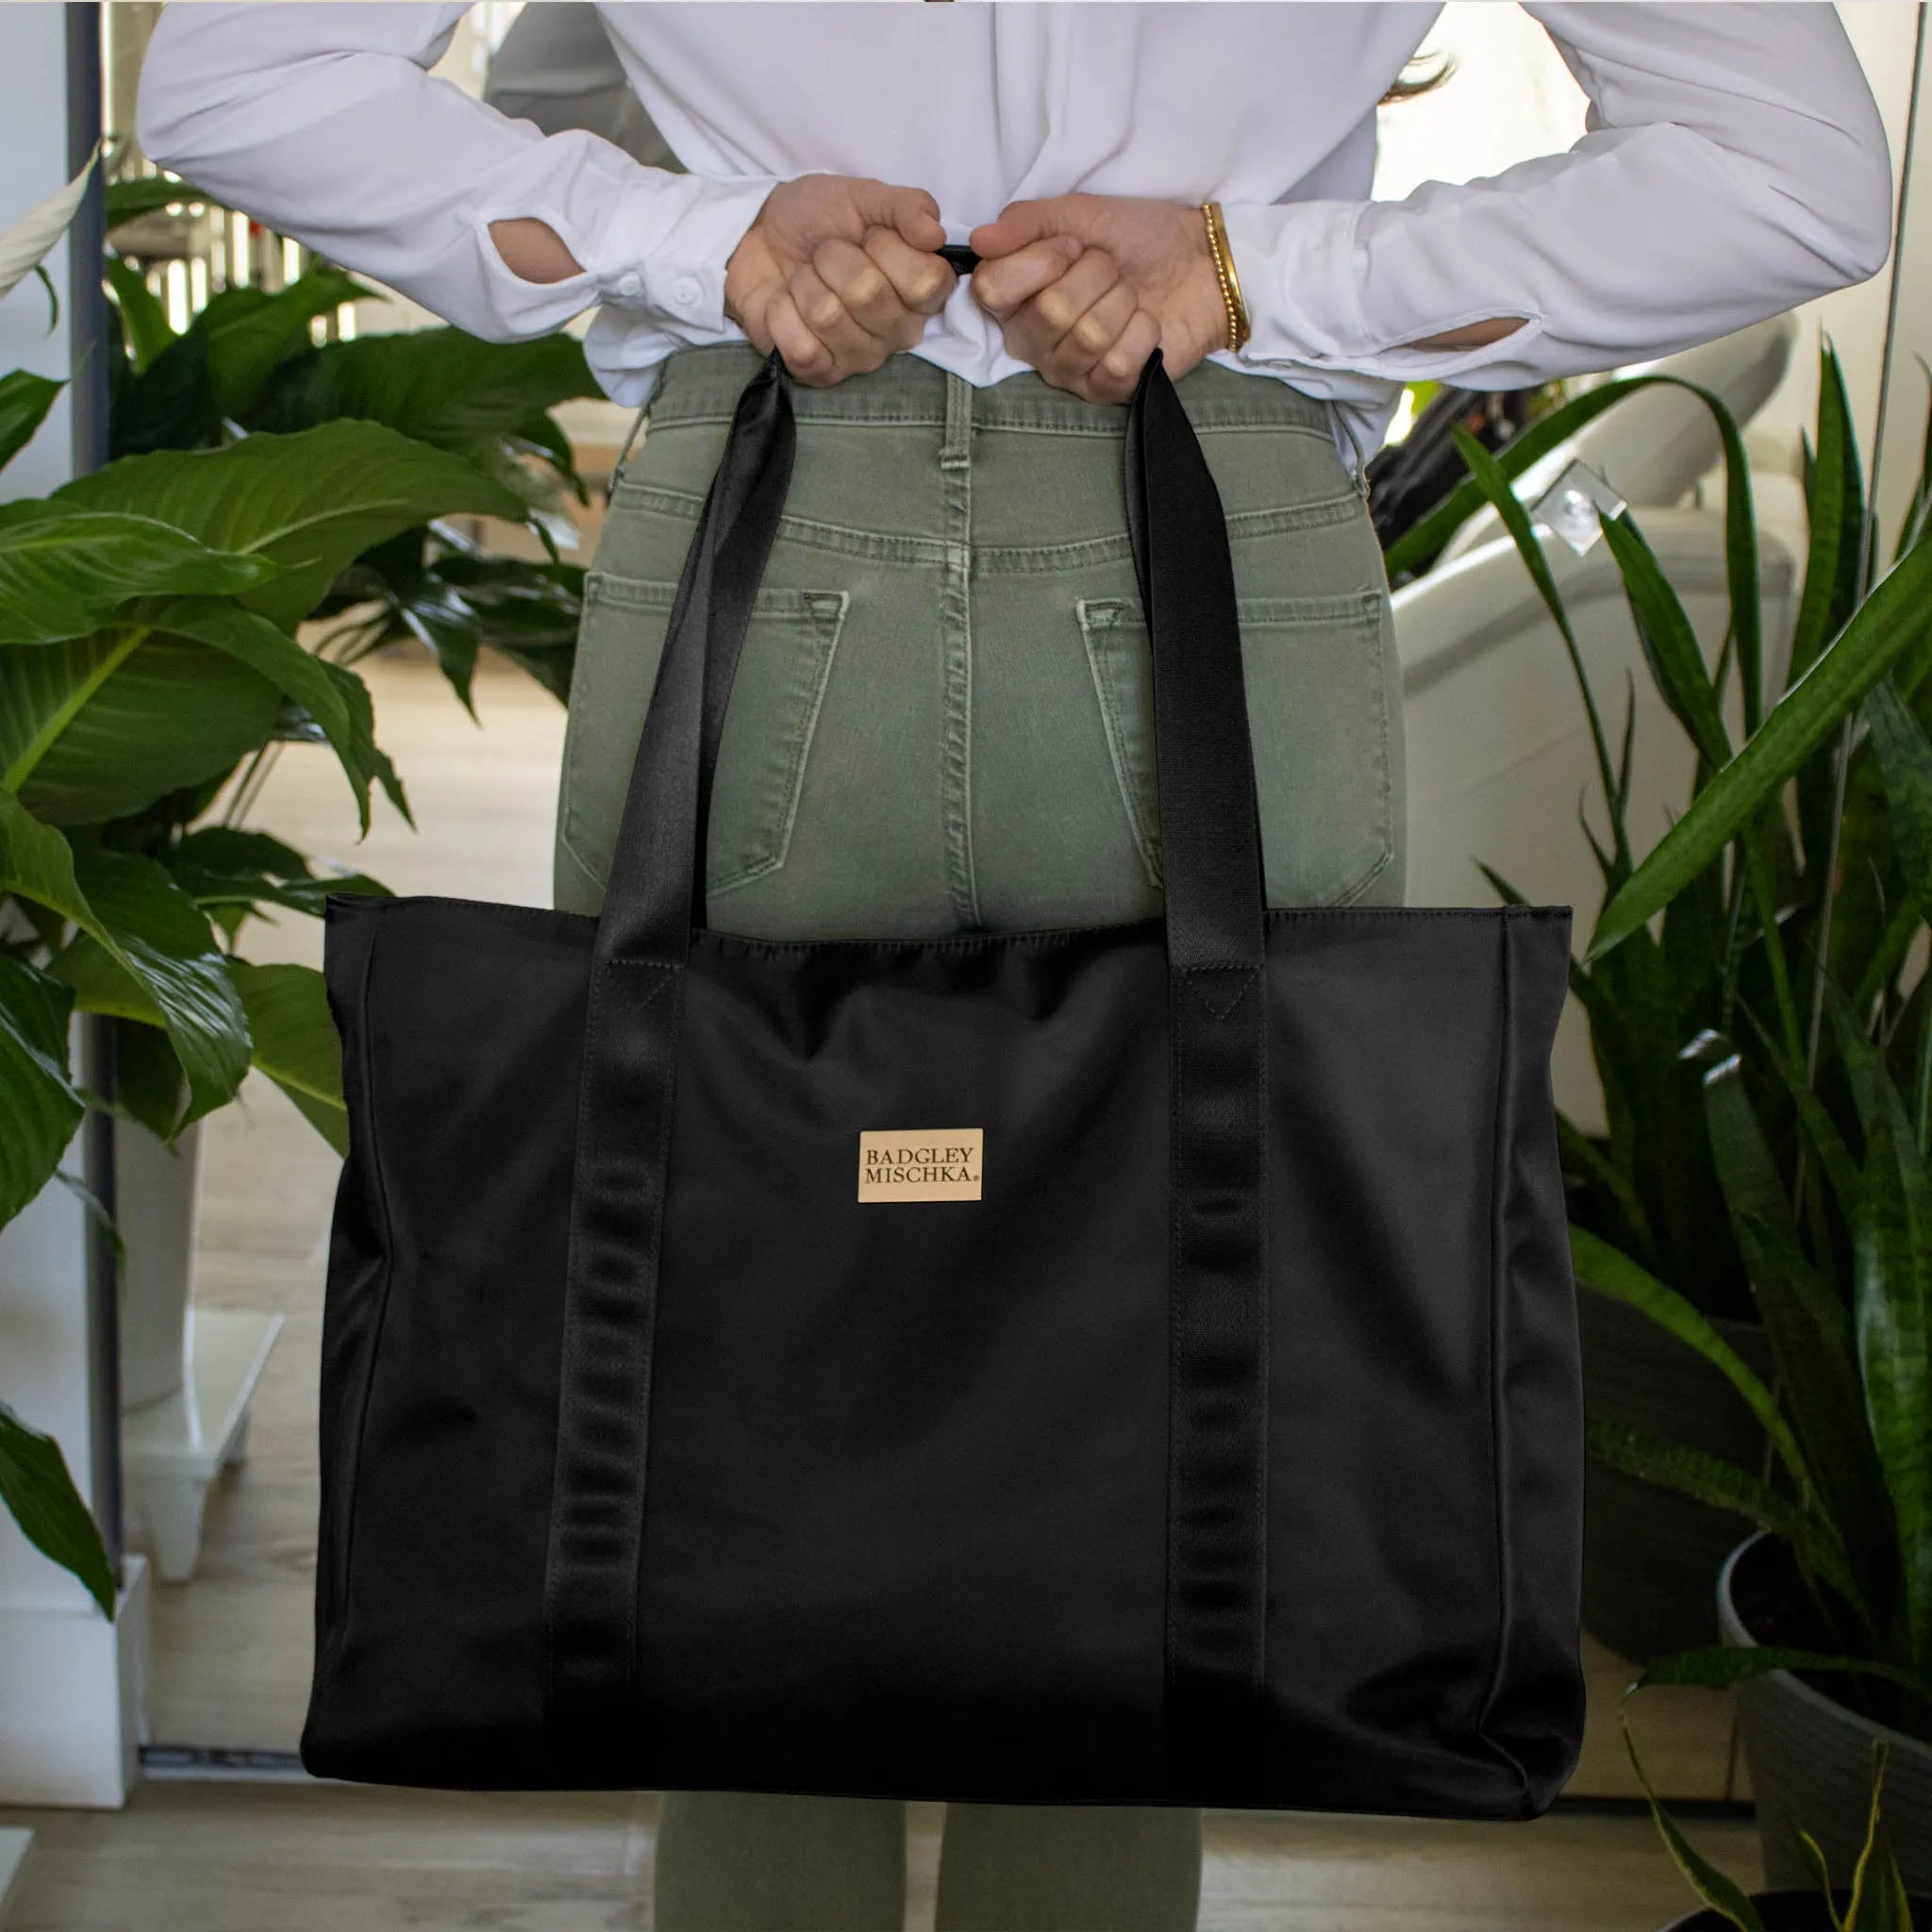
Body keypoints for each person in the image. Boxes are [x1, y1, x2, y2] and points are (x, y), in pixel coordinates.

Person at [135, 6, 1891, 1927]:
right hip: (1220, 526)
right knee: (1152, 1433)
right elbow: (1784, 169)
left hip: (775, 486)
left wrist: (705, 239)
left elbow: (251, 82)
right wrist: (1251, 262)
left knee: (719, 1354)